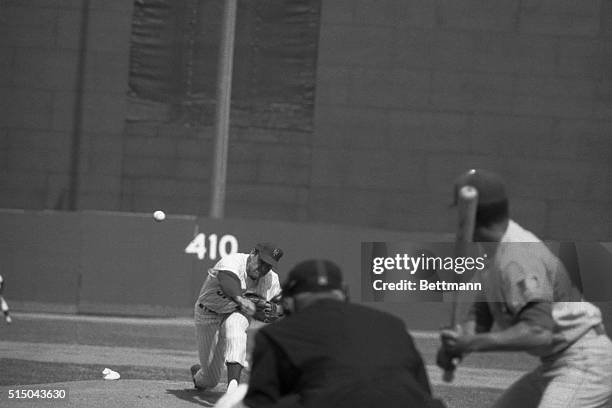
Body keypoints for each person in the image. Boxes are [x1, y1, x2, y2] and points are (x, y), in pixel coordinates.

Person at [437, 169, 612, 408]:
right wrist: (457, 346)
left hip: (583, 361)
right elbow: (480, 316)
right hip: (555, 363)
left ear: (470, 217)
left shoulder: (517, 256)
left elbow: (538, 331)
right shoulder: (492, 251)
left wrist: (469, 343)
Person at [243, 259, 444, 408]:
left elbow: (261, 403)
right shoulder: (393, 325)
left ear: (289, 300)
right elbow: (423, 392)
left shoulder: (275, 334)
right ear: (343, 292)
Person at [191, 242, 284, 393]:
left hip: (235, 312)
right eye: (262, 262)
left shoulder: (271, 280)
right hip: (208, 313)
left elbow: (275, 310)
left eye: (268, 266)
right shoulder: (232, 262)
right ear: (253, 253)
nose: (263, 269)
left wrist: (276, 311)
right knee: (209, 380)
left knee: (236, 327)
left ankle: (232, 387)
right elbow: (228, 280)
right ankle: (198, 373)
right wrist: (240, 300)